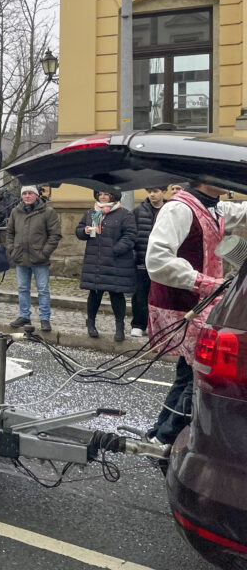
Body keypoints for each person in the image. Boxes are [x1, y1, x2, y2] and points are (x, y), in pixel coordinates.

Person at [145, 180, 247, 445]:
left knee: (187, 371)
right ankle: (167, 437)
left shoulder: (217, 207)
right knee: (200, 373)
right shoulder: (177, 209)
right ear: (205, 178)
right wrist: (207, 283)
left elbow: (243, 210)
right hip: (183, 302)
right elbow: (157, 260)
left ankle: (159, 432)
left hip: (204, 301)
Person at [76, 189, 136, 341]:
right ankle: (91, 324)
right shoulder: (91, 213)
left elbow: (130, 235)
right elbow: (78, 231)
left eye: (106, 194)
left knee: (116, 295)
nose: (102, 197)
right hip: (95, 261)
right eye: (100, 194)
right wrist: (85, 231)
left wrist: (115, 250)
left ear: (113, 196)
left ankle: (119, 327)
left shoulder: (124, 214)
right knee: (95, 294)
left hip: (115, 262)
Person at [6, 185, 62, 333]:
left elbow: (55, 235)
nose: (27, 196)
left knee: (43, 290)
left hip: (39, 258)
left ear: (36, 195)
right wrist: (12, 250)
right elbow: (9, 233)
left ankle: (45, 318)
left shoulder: (47, 212)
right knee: (22, 288)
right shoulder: (15, 212)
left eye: (30, 193)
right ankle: (24, 315)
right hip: (20, 256)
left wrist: (45, 253)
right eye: (24, 193)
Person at [131, 185, 168, 338]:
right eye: (150, 192)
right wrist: (134, 255)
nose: (152, 195)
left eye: (156, 191)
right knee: (140, 293)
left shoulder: (170, 210)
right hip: (142, 258)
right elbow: (131, 234)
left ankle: (160, 326)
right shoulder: (138, 211)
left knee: (162, 295)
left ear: (164, 192)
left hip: (164, 260)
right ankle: (139, 324)